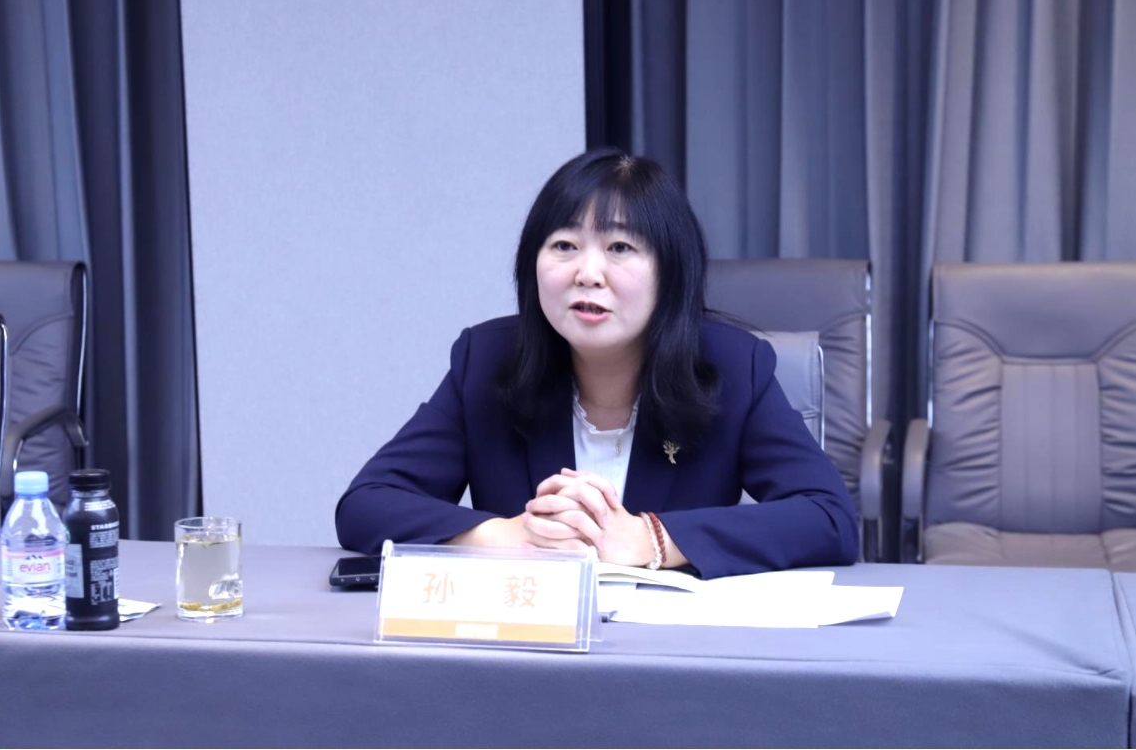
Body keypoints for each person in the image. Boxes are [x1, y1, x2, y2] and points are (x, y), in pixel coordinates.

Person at [335, 148, 859, 579]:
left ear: (671, 273)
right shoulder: (488, 361)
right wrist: (506, 536)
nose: (588, 273)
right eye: (564, 245)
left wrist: (653, 539)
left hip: (676, 654)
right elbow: (366, 504)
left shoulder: (733, 367)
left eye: (620, 247)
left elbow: (830, 519)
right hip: (529, 650)